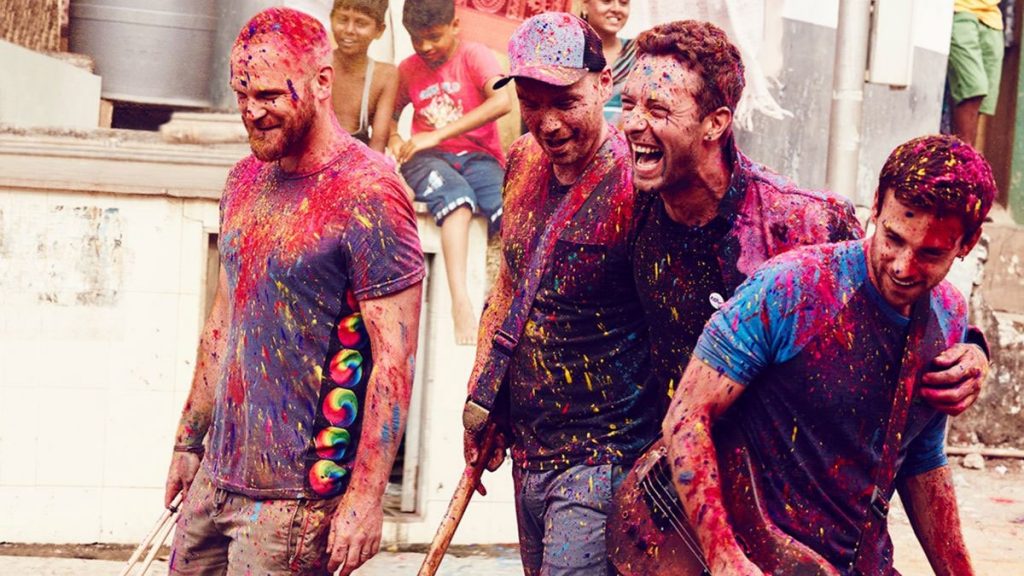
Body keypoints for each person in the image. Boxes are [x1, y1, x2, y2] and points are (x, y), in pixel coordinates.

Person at [162, 8, 424, 576]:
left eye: (268, 95)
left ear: (321, 82)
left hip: (297, 503)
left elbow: (394, 360)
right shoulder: (243, 180)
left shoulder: (369, 192)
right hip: (215, 480)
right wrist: (188, 443)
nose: (251, 112)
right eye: (241, 94)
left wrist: (366, 496)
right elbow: (223, 320)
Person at [620, 20, 989, 422]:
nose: (633, 124)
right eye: (627, 105)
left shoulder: (805, 223)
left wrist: (971, 349)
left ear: (716, 122)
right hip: (675, 447)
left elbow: (894, 283)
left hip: (790, 455)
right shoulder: (627, 204)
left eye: (657, 109)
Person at [662, 134, 995, 576]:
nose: (903, 265)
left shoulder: (949, 316)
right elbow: (685, 417)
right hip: (759, 554)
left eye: (930, 253)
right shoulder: (794, 287)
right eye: (893, 237)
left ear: (967, 243)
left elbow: (921, 457)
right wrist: (724, 557)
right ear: (875, 206)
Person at [462, 12, 655, 575]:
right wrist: (483, 398)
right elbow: (508, 287)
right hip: (531, 450)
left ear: (603, 84)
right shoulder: (522, 160)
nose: (547, 123)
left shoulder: (638, 184)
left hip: (604, 458)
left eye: (565, 102)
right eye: (531, 103)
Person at [389, 0, 512, 344]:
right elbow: (390, 116)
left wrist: (438, 134)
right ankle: (461, 302)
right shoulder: (408, 69)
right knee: (457, 200)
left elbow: (502, 101)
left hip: (479, 157)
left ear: (455, 25)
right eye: (417, 39)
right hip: (428, 160)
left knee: (509, 210)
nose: (425, 46)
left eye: (434, 37)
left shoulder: (475, 55)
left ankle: (510, 295)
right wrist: (396, 140)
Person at [330, 0, 398, 152]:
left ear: (379, 30)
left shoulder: (384, 76)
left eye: (361, 23)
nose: (349, 30)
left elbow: (378, 142)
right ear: (331, 19)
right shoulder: (316, 64)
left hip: (359, 161)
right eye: (342, 20)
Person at [948, 0, 1004, 146]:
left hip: (992, 17)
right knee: (973, 88)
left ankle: (966, 152)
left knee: (983, 99)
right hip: (960, 9)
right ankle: (962, 153)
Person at [580, 0, 636, 124]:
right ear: (585, 5)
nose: (616, 8)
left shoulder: (638, 53)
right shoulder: (569, 53)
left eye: (623, 3)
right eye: (606, 1)